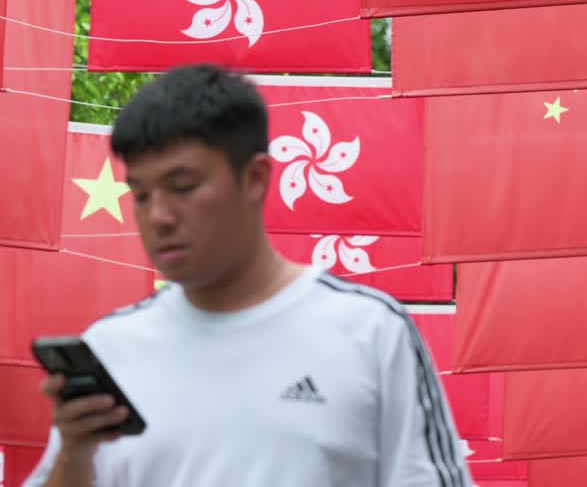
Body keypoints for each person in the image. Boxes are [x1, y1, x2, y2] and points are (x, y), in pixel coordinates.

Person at [24, 64, 472, 487]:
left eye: (183, 187)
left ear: (255, 178)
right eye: (140, 195)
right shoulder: (112, 346)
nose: (158, 216)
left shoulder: (370, 333)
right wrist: (75, 456)